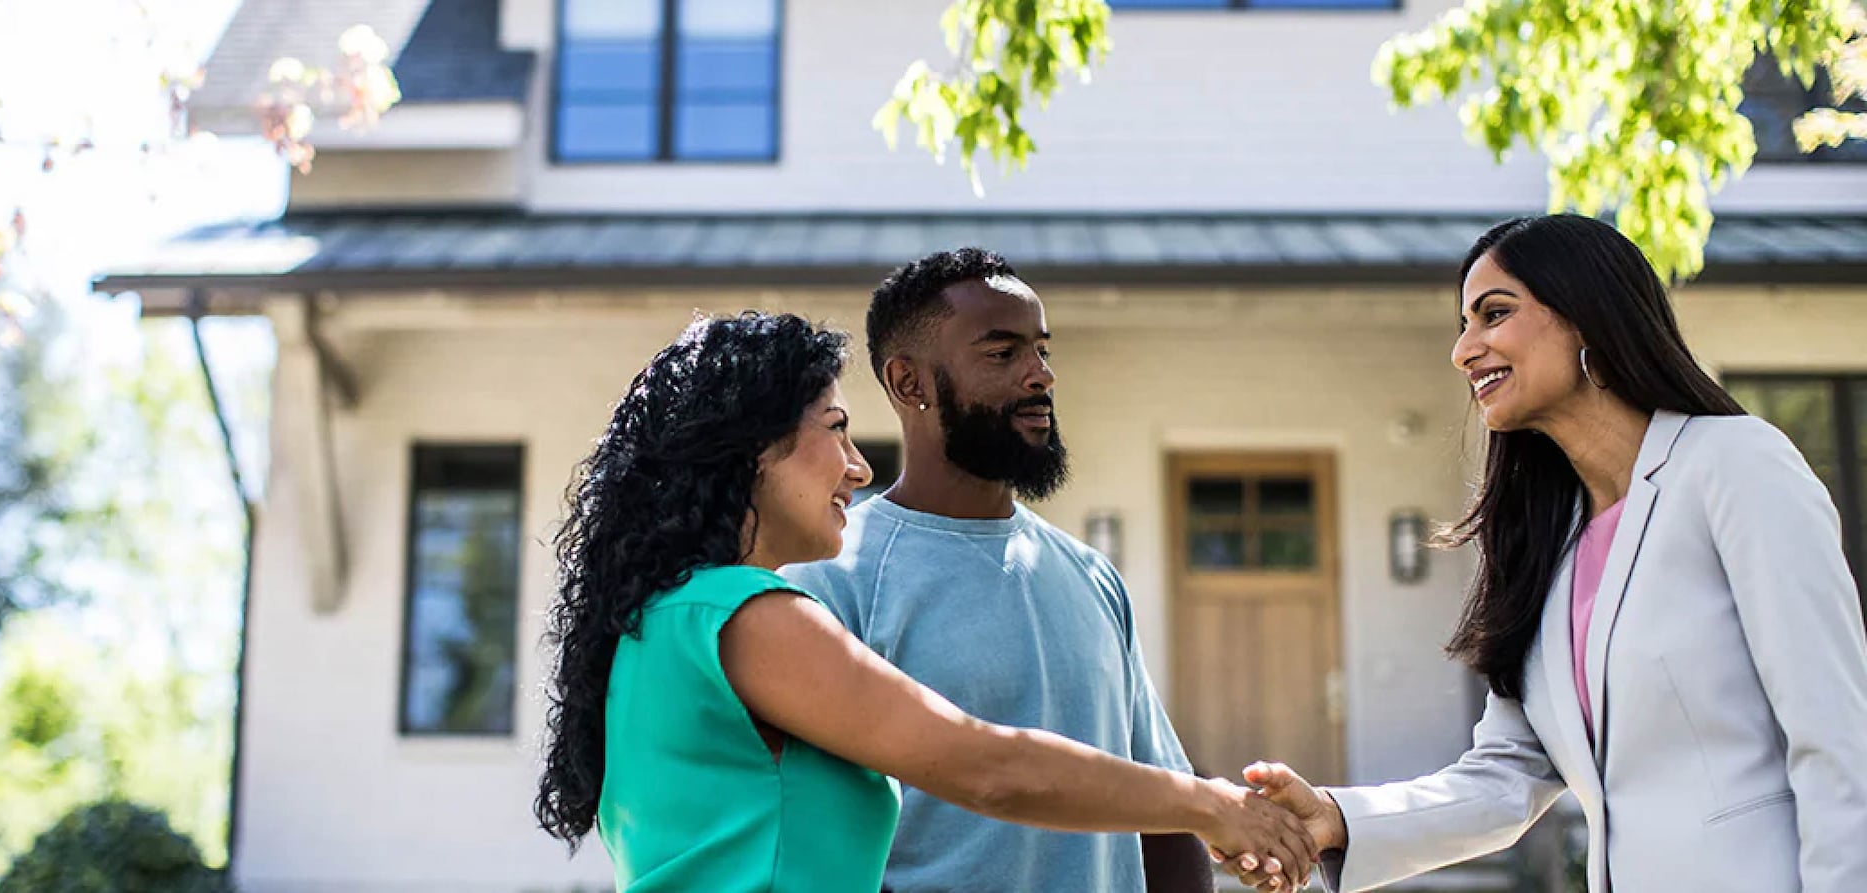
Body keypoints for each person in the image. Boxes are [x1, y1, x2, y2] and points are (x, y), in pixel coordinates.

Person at [533, 311, 1316, 893]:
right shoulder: (751, 617)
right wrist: (1212, 804)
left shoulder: (660, 622)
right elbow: (988, 766)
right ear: (750, 449)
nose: (856, 467)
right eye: (835, 430)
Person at [1220, 214, 1867, 893]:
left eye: (1493, 314)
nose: (1464, 350)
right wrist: (1334, 815)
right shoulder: (1548, 548)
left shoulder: (1735, 463)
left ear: (1587, 316)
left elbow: (1838, 739)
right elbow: (1506, 774)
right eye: (1463, 325)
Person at [781, 249, 1219, 893]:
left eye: (1042, 350)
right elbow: (813, 840)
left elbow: (1163, 811)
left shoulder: (1092, 576)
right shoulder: (827, 581)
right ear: (910, 384)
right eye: (1002, 353)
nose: (1040, 375)